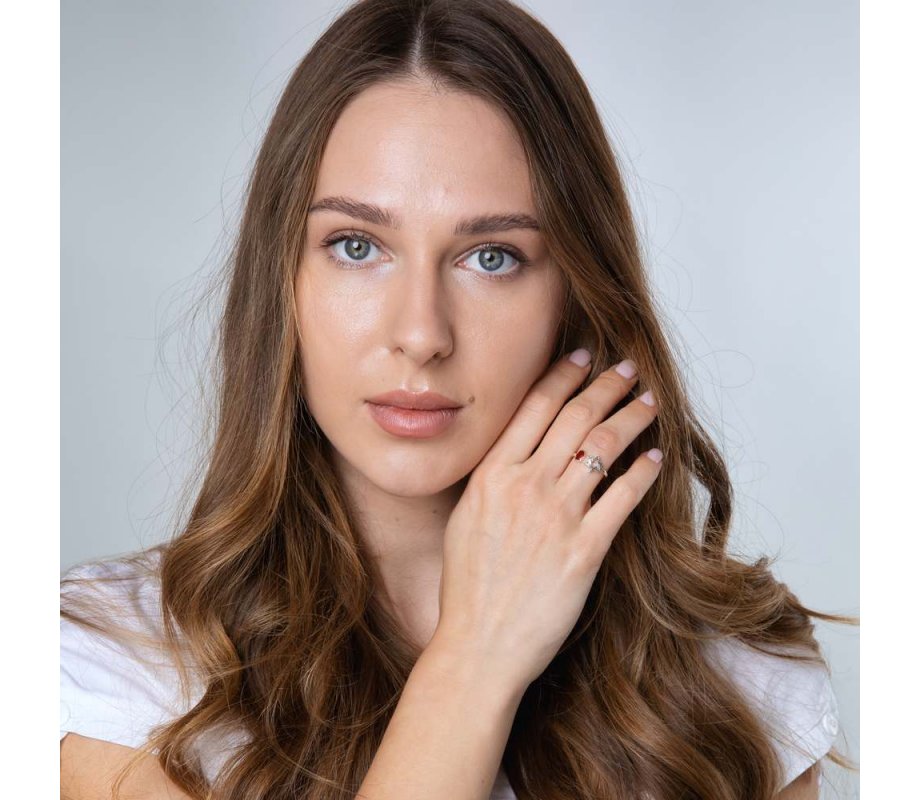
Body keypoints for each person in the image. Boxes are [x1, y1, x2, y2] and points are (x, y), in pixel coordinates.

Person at [60, 1, 857, 798]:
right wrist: (478, 657)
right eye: (356, 246)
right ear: (282, 282)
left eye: (492, 257)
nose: (420, 334)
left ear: (577, 294)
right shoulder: (110, 671)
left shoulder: (732, 684)